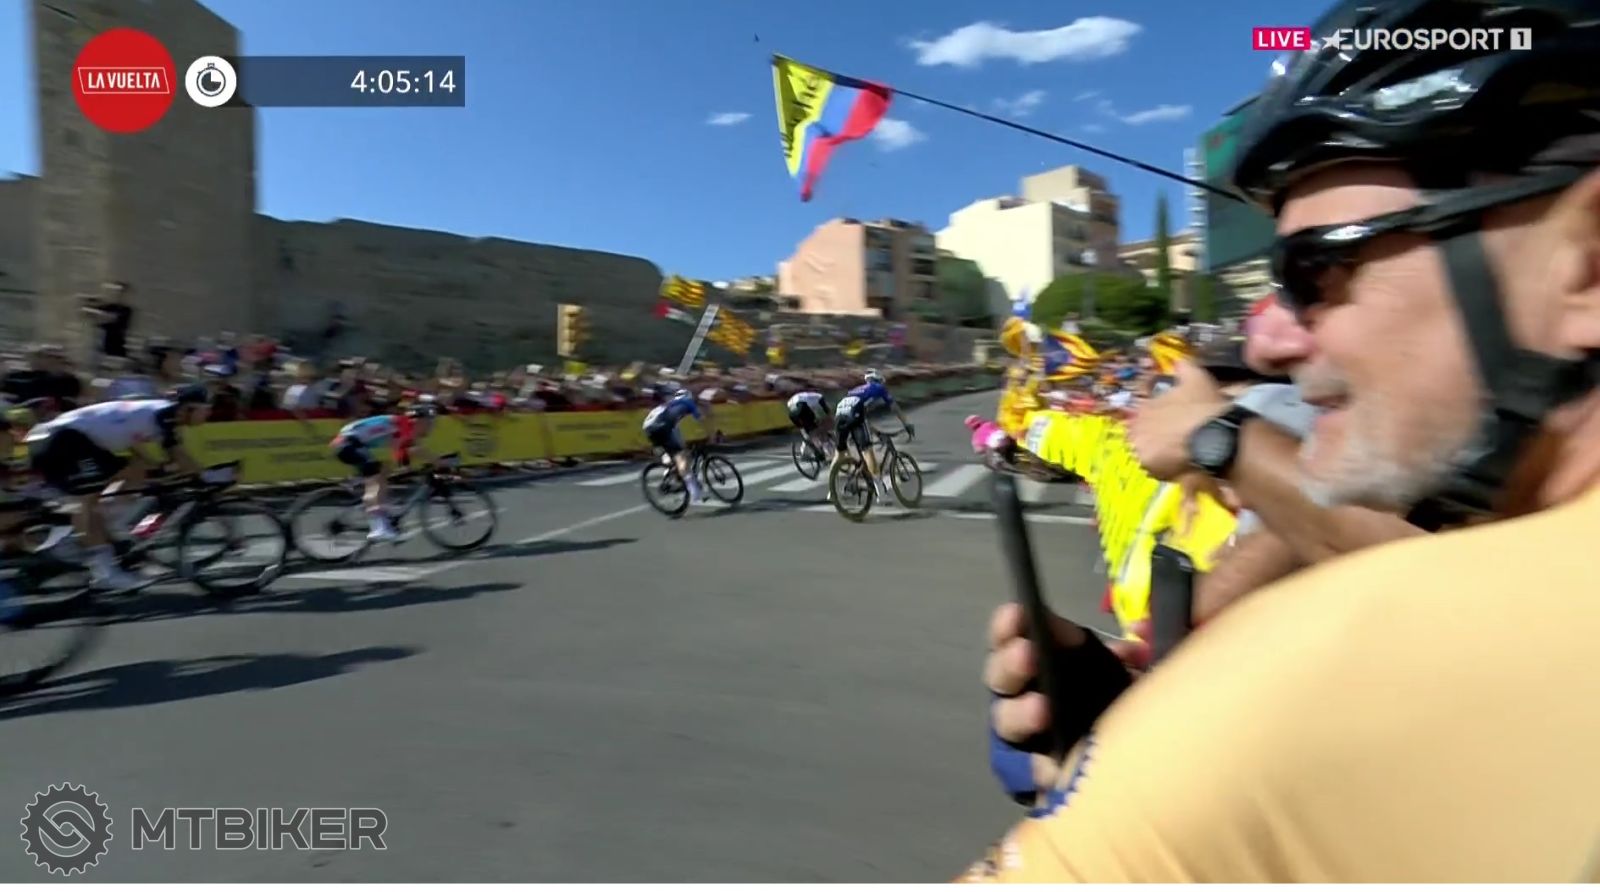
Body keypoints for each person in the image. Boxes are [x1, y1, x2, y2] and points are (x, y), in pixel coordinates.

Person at [967, 0, 1600, 880]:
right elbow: (1334, 539)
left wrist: (1155, 741)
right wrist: (1161, 678)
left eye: (1319, 267)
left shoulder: (1290, 699)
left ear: (1588, 265)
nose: (1268, 342)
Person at [24, 386, 211, 591]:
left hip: (80, 441)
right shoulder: (166, 415)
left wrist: (161, 470)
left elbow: (139, 452)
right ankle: (105, 573)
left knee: (137, 469)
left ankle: (108, 525)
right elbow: (179, 456)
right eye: (205, 409)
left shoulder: (158, 412)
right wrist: (208, 479)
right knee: (89, 503)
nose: (208, 414)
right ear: (188, 408)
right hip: (63, 441)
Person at [330, 401, 440, 542]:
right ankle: (379, 528)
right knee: (377, 483)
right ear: (419, 420)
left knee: (384, 469)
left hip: (349, 444)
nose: (432, 426)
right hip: (349, 445)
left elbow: (400, 450)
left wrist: (406, 466)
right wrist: (438, 461)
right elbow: (414, 449)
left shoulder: (399, 424)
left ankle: (371, 500)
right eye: (430, 422)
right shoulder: (404, 424)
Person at [831, 369, 915, 496]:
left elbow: (862, 418)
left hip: (839, 416)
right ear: (879, 380)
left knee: (839, 454)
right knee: (867, 451)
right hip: (854, 415)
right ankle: (880, 491)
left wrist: (876, 432)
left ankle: (831, 490)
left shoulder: (855, 391)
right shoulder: (879, 388)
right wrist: (906, 424)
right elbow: (894, 407)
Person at [641, 388, 718, 503]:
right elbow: (702, 420)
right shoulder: (688, 402)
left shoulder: (670, 404)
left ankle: (670, 472)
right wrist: (711, 435)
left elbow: (674, 428)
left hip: (649, 428)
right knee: (681, 457)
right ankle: (695, 492)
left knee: (678, 453)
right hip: (661, 427)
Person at [785, 389, 833, 456]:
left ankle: (805, 452)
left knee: (807, 432)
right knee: (818, 430)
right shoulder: (819, 397)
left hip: (792, 412)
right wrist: (830, 417)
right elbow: (826, 410)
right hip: (802, 408)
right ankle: (827, 450)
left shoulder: (807, 396)